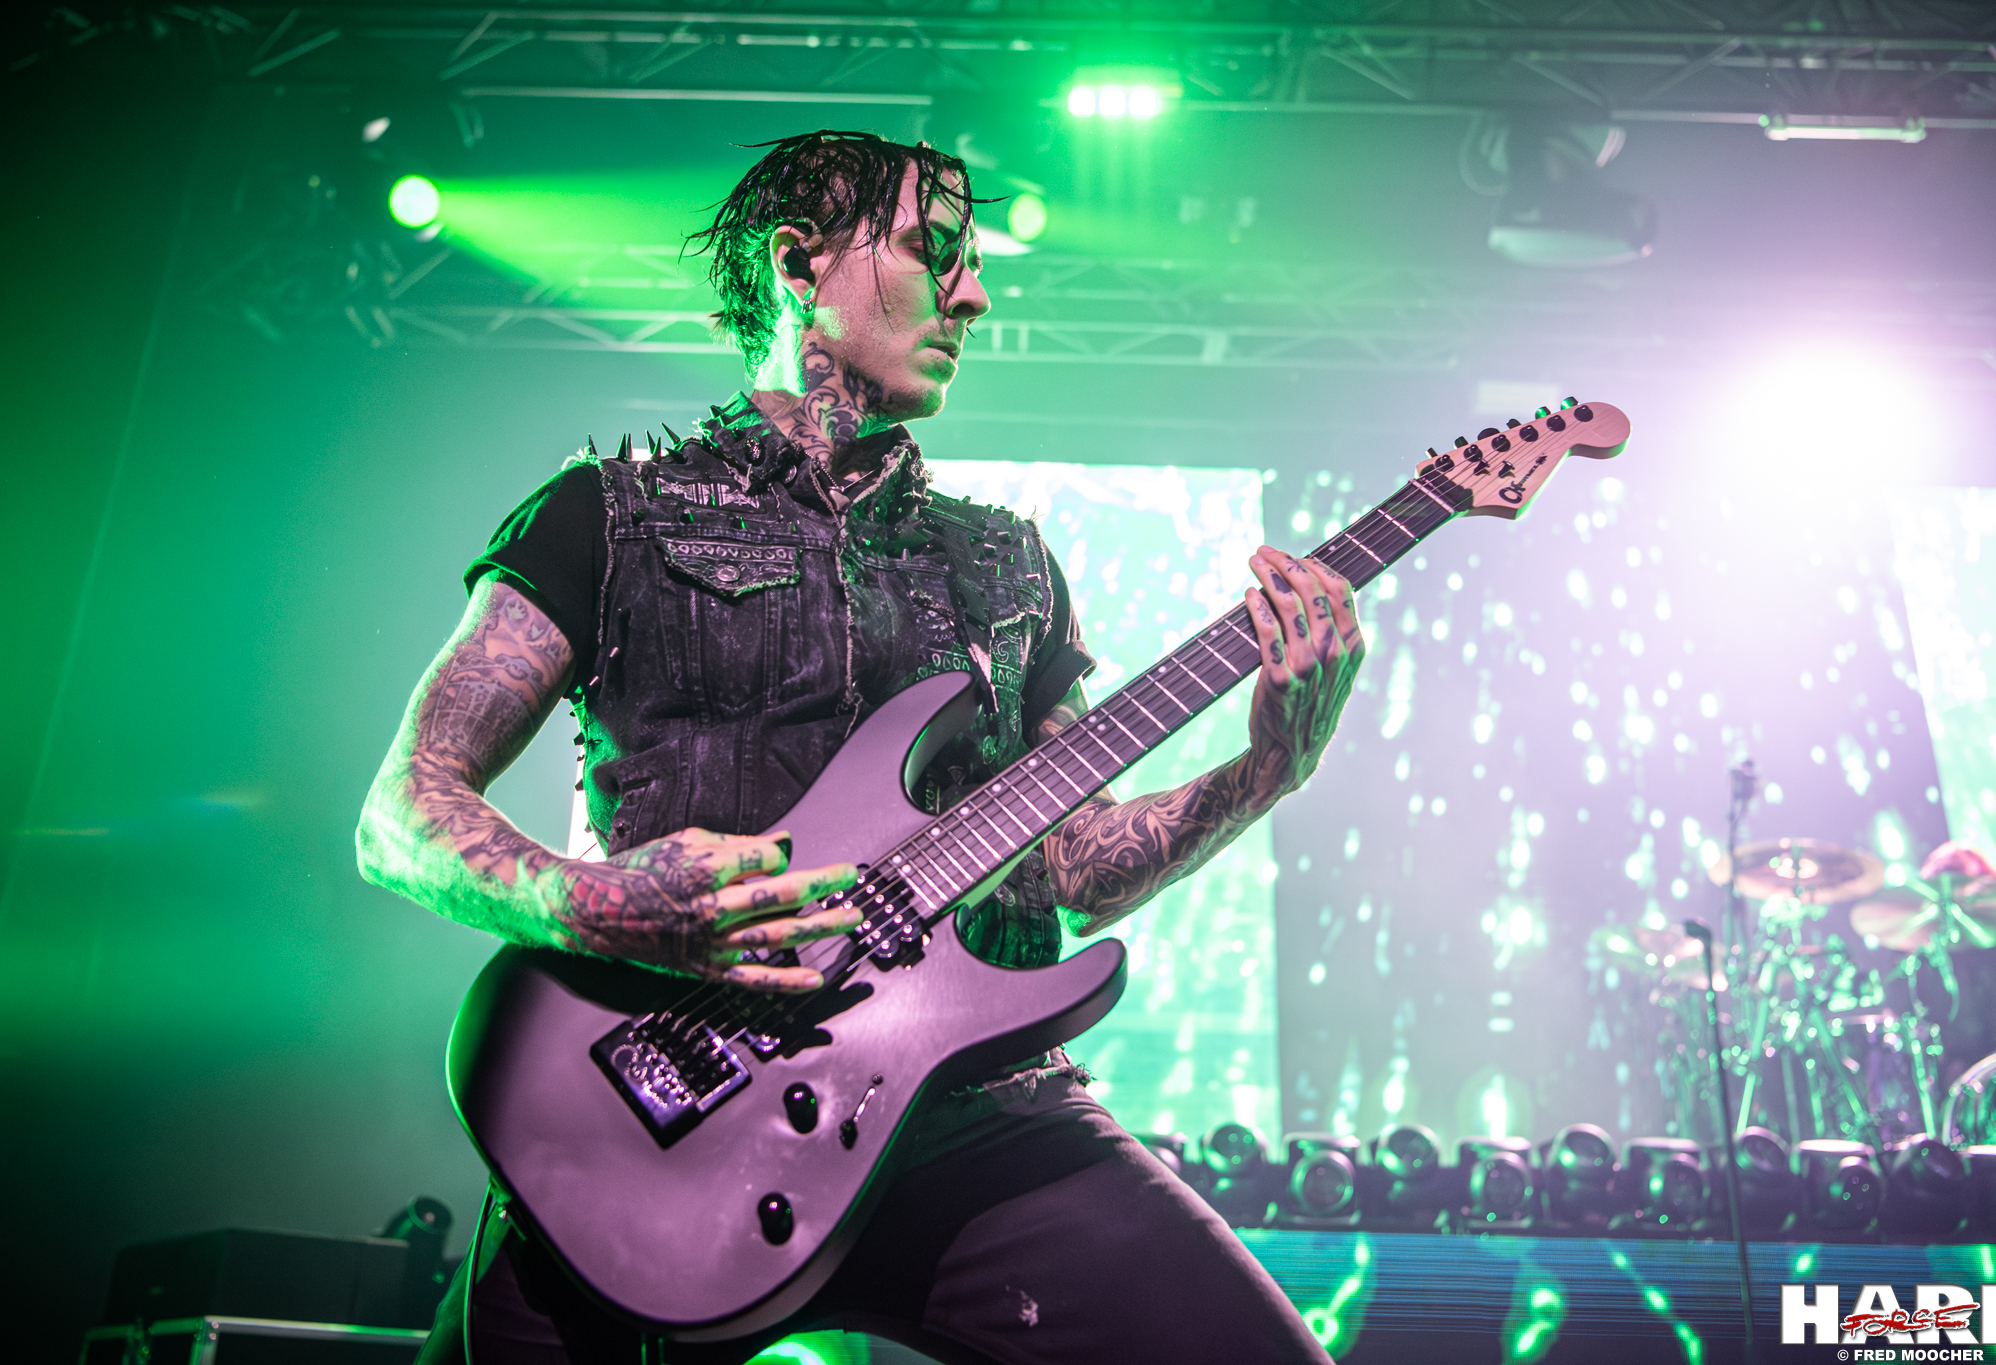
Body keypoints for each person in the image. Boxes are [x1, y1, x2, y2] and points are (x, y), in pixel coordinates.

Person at [357, 131, 1365, 1365]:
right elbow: (403, 810)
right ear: (798, 265)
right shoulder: (610, 514)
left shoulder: (1005, 562)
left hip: (976, 1116)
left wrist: (1267, 767)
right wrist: (597, 904)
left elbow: (1076, 869)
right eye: (934, 252)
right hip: (669, 1114)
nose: (975, 296)